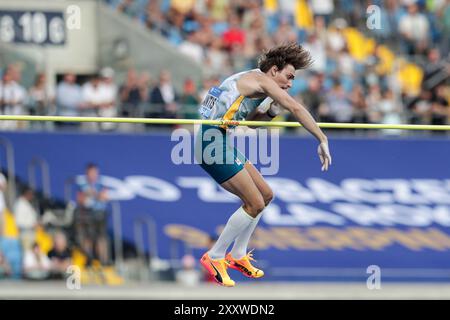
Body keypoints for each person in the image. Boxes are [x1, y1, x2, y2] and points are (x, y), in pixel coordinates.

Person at [196, 43, 332, 287]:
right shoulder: (260, 79)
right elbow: (296, 107)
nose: (290, 84)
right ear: (273, 70)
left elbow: (249, 123)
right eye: (288, 76)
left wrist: (270, 113)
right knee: (254, 203)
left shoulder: (254, 82)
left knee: (266, 195)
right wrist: (321, 138)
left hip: (220, 139)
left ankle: (237, 255)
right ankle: (215, 255)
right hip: (211, 142)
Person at [74, 163, 110, 265]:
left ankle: (103, 262)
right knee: (87, 238)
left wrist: (93, 194)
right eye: (91, 172)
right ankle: (88, 260)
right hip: (87, 214)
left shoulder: (100, 184)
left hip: (100, 213)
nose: (93, 175)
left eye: (95, 172)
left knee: (101, 238)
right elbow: (80, 199)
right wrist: (94, 195)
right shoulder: (82, 185)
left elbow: (104, 197)